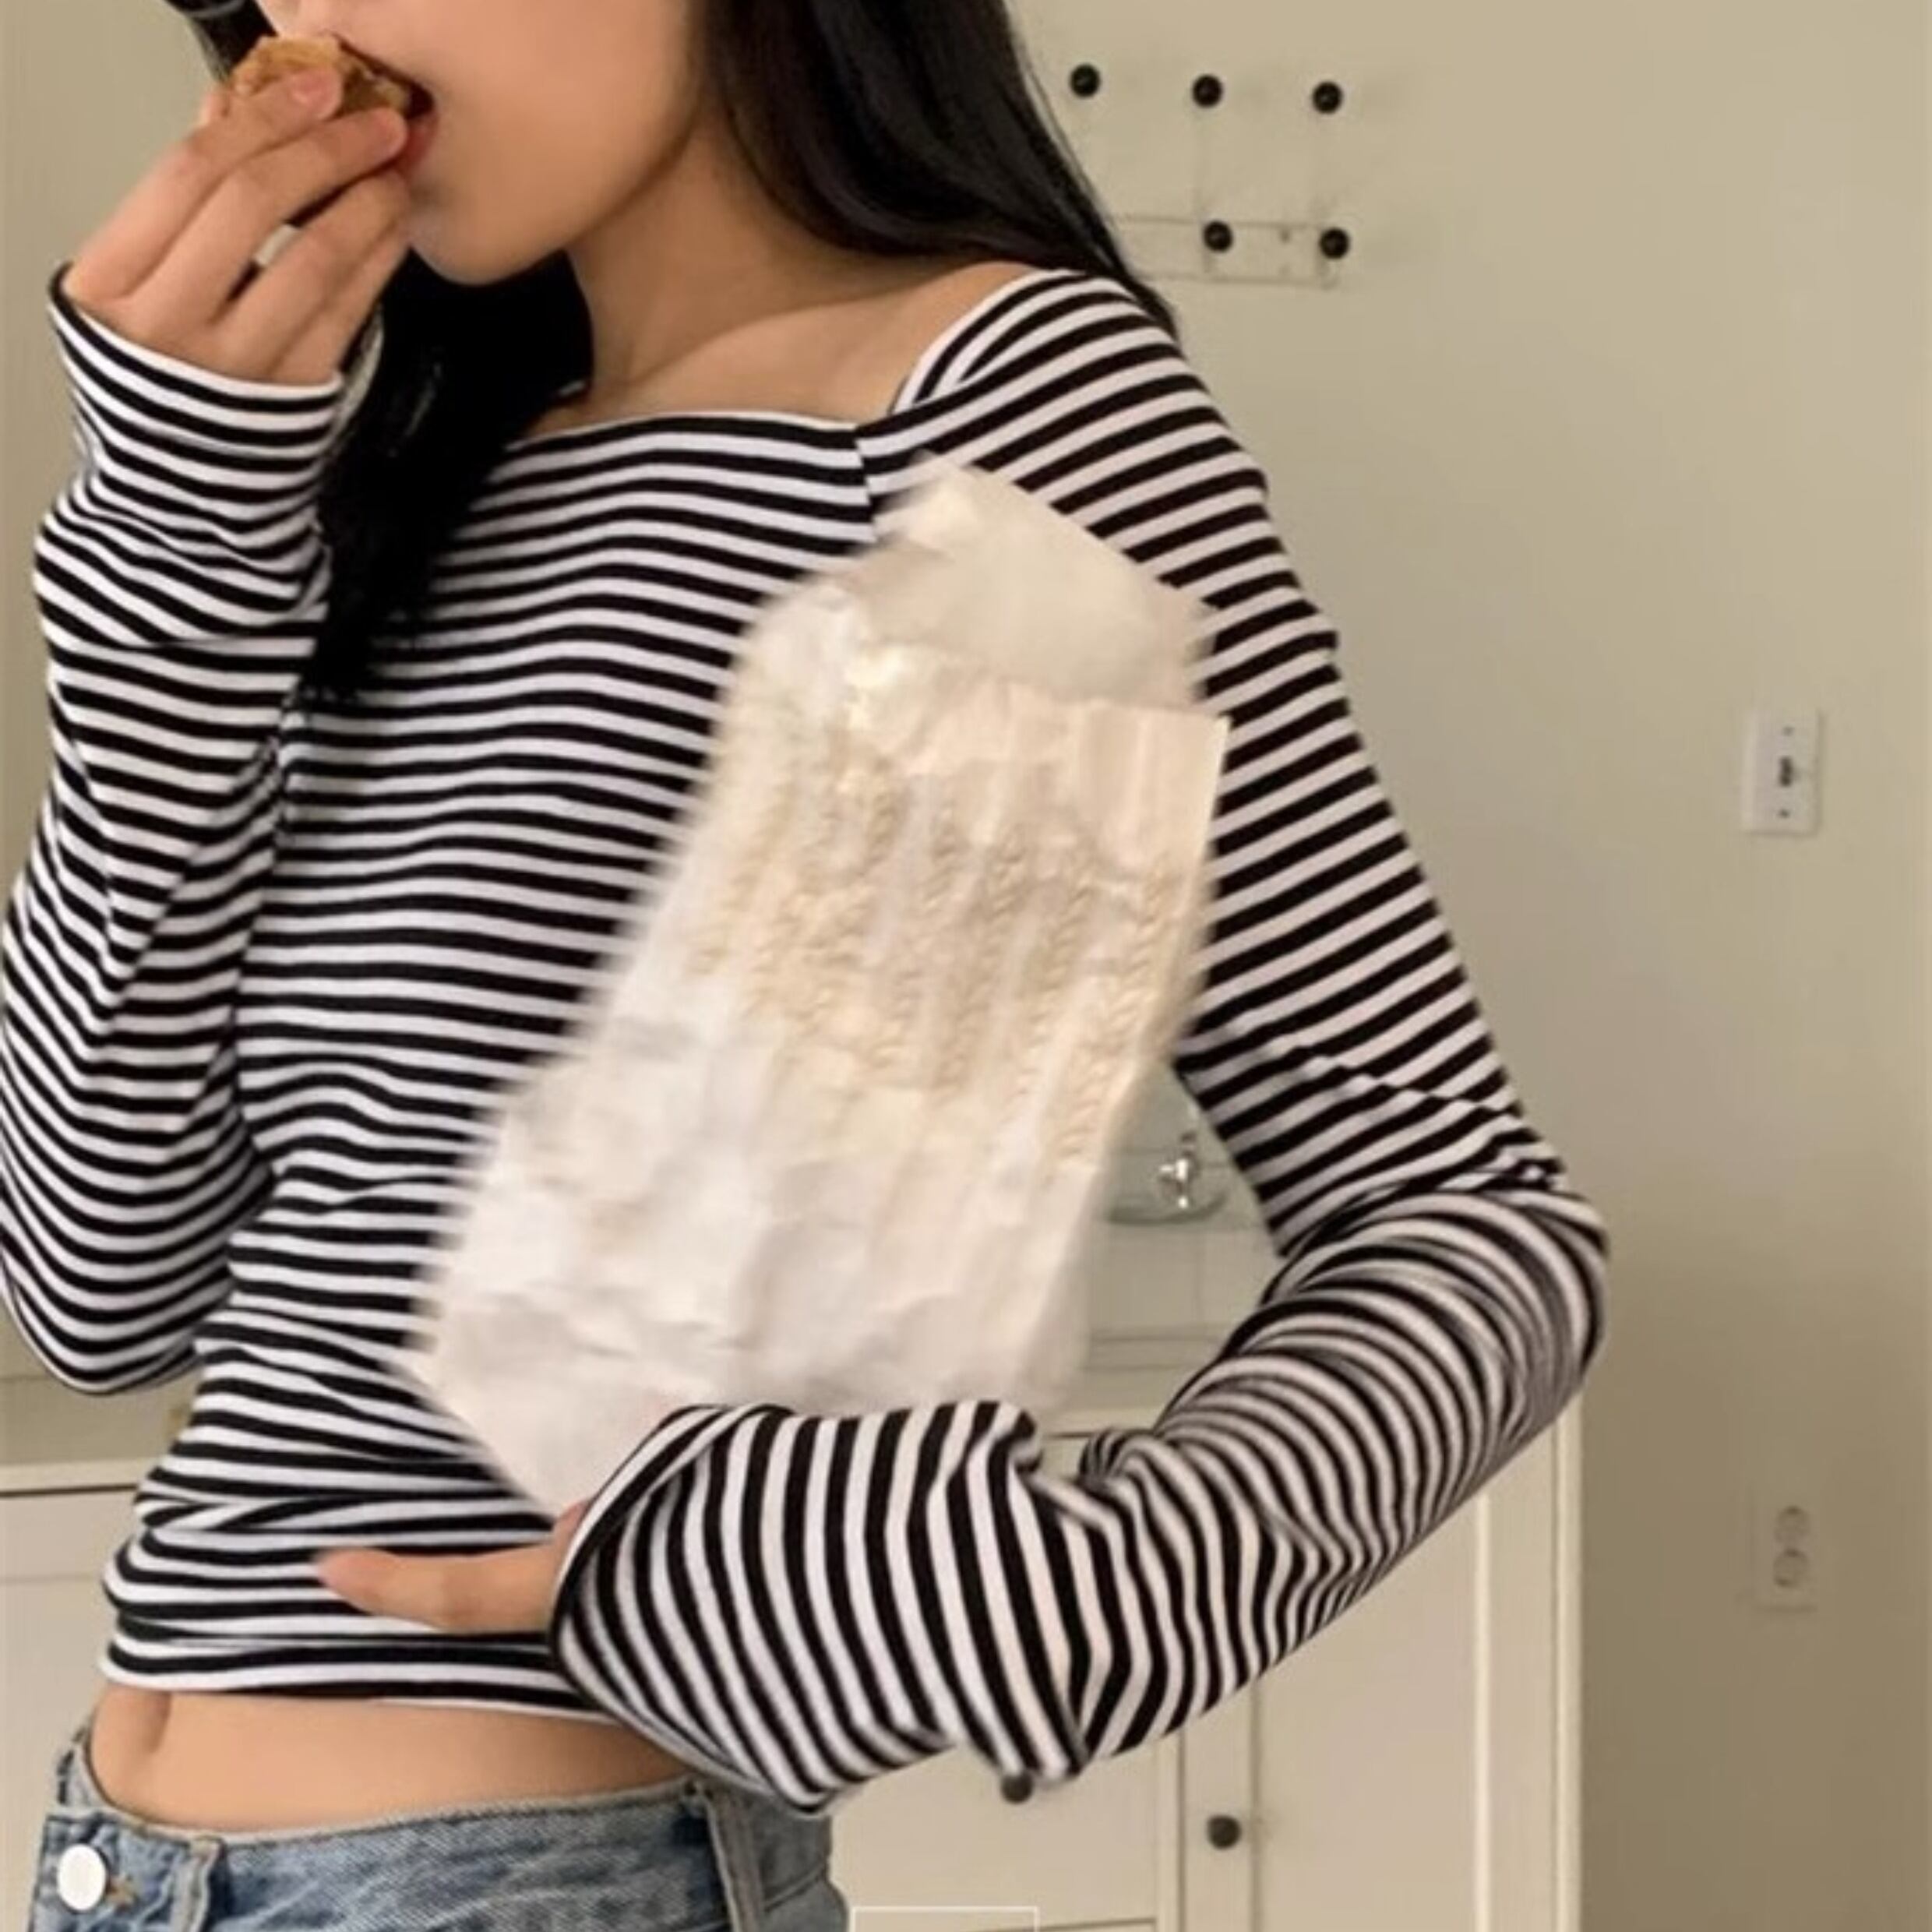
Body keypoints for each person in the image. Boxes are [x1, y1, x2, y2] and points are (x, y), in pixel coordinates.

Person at [2, 0, 1609, 1924]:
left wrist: (1075, 1601)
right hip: (125, 1859)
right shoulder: (438, 469)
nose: (309, 19)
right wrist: (169, 556)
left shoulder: (1009, 395)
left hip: (522, 1874)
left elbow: (1465, 1219)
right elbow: (100, 1286)